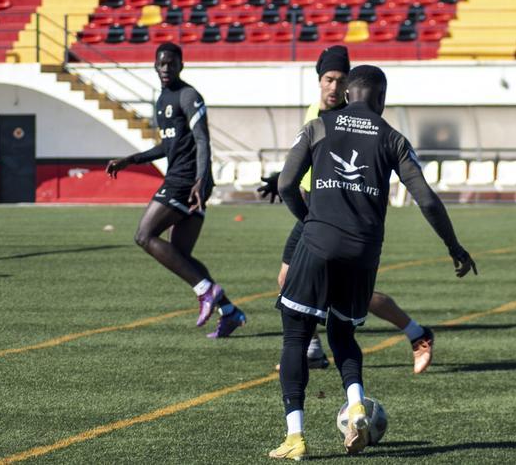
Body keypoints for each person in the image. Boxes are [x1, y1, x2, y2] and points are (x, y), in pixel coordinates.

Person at [268, 65, 477, 459]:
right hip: (364, 251)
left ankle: (295, 437)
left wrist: (308, 220)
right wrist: (454, 247)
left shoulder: (319, 125)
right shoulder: (392, 137)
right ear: (381, 100)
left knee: (296, 338)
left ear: (347, 94)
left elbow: (284, 184)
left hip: (318, 240)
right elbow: (427, 199)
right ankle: (357, 402)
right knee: (344, 335)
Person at [258, 46, 437, 374]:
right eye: (328, 79)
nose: (333, 88)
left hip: (342, 214)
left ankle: (415, 332)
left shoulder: (354, 117)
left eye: (340, 81)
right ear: (319, 80)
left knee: (349, 293)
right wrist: (279, 180)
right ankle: (313, 347)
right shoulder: (316, 111)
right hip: (313, 211)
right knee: (287, 277)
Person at [106, 43, 245, 338]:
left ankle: (206, 291)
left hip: (186, 181)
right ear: (155, 66)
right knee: (181, 255)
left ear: (182, 65)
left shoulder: (188, 95)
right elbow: (167, 146)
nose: (166, 69)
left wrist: (200, 180)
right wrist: (131, 160)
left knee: (144, 236)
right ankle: (229, 311)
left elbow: (203, 140)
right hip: (185, 180)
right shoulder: (161, 100)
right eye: (161, 64)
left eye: (171, 63)